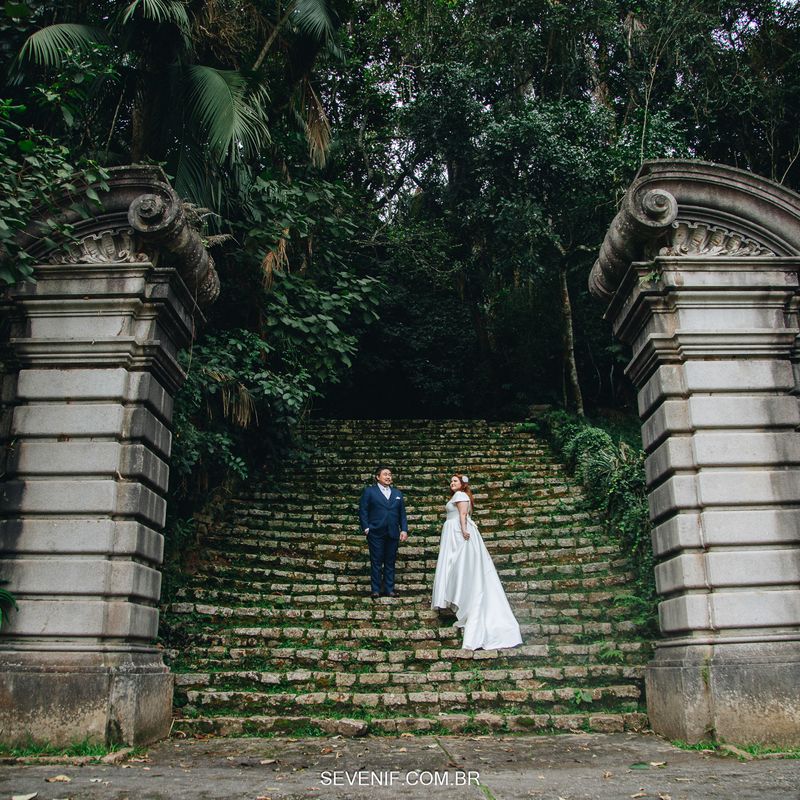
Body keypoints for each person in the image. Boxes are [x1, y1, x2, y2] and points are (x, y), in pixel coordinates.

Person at [431, 473, 523, 650]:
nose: (452, 483)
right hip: (453, 532)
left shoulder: (461, 495)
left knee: (458, 566)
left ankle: (463, 598)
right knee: (456, 567)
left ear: (463, 485)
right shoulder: (459, 496)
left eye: (455, 481)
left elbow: (463, 514)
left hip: (458, 533)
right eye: (451, 481)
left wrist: (464, 531)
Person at [359, 465, 408, 599]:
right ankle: (375, 590)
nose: (388, 477)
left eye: (390, 475)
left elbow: (402, 513)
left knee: (390, 561)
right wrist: (366, 528)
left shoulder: (397, 493)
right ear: (377, 477)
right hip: (375, 531)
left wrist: (404, 529)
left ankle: (389, 589)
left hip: (393, 532)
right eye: (385, 474)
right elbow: (363, 510)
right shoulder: (369, 492)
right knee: (376, 561)